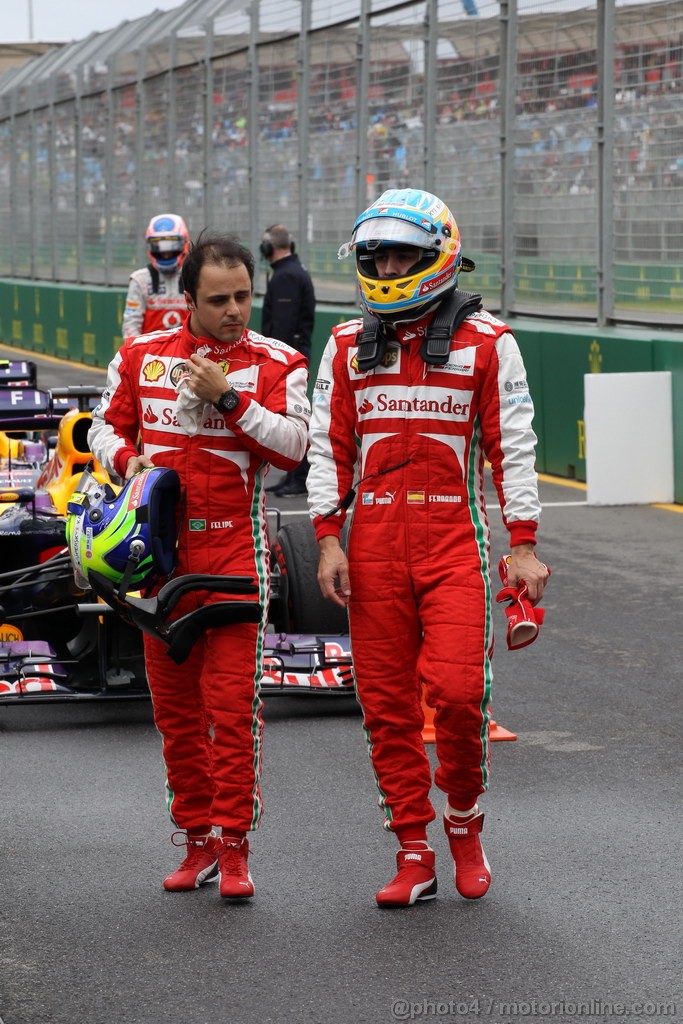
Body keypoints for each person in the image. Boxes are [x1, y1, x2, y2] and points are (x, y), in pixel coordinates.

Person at [306, 188, 549, 907]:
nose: (385, 265)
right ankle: (413, 851)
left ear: (438, 255)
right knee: (384, 707)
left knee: (458, 694)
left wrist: (525, 545)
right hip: (372, 541)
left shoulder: (488, 342)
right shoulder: (348, 344)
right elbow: (328, 447)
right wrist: (326, 536)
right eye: (376, 253)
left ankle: (464, 823)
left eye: (400, 253)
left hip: (452, 541)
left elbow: (515, 450)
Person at [88, 232, 310, 899]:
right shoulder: (139, 355)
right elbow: (102, 427)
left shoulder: (278, 362)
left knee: (231, 709)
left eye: (244, 295)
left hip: (233, 553)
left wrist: (227, 398)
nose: (235, 310)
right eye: (218, 300)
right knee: (176, 714)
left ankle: (236, 849)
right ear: (186, 300)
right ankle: (196, 841)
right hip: (155, 558)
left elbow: (295, 448)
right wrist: (126, 463)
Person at [260, 224, 316, 496]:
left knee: (294, 416)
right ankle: (294, 475)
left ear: (269, 248)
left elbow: (282, 326)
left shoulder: (286, 276)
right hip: (294, 354)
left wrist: (272, 360)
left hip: (287, 358)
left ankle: (301, 476)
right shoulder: (290, 272)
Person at [121, 213, 190, 343]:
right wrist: (136, 355)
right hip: (152, 356)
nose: (165, 253)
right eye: (159, 246)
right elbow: (131, 324)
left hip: (189, 353)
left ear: (184, 243)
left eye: (171, 246)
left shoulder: (195, 276)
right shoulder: (140, 280)